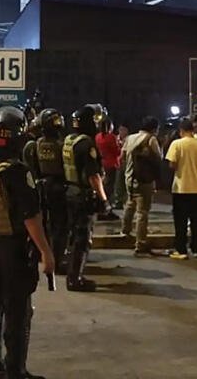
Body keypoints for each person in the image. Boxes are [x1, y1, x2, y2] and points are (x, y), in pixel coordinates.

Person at [0, 105, 55, 379]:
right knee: (17, 311)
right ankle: (15, 369)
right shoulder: (18, 171)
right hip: (15, 251)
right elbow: (31, 218)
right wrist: (46, 252)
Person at [62, 104, 110, 291]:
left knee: (73, 236)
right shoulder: (87, 144)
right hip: (83, 196)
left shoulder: (69, 140)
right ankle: (75, 279)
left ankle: (72, 274)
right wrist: (104, 199)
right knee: (83, 239)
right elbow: (93, 176)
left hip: (70, 193)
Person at [22, 108, 69, 270]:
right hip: (58, 188)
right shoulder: (63, 145)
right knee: (59, 225)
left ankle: (34, 255)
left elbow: (29, 168)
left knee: (38, 224)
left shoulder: (33, 145)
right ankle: (56, 258)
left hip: (39, 187)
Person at [166, 118, 197, 259]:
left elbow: (172, 164)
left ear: (181, 131)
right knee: (196, 220)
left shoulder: (177, 144)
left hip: (181, 188)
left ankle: (181, 248)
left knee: (180, 221)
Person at [120, 117, 162, 255]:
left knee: (130, 203)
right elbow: (158, 158)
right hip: (144, 180)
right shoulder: (151, 139)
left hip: (129, 178)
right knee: (142, 212)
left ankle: (125, 231)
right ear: (154, 128)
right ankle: (140, 243)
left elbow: (123, 157)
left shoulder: (130, 138)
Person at [95, 118, 121, 220]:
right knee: (109, 189)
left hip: (102, 164)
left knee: (103, 187)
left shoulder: (97, 137)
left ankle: (102, 209)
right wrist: (119, 144)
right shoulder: (111, 137)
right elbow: (117, 151)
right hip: (111, 165)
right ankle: (106, 211)